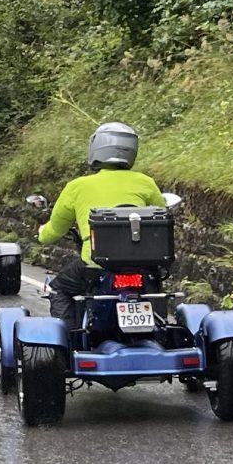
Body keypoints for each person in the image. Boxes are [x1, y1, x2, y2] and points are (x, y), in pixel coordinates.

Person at [36, 122, 168, 341]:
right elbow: (160, 216)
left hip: (96, 266)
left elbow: (56, 229)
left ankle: (70, 341)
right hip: (144, 266)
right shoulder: (146, 182)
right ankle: (158, 333)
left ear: (95, 149)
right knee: (154, 287)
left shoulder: (78, 186)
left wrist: (42, 234)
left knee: (58, 288)